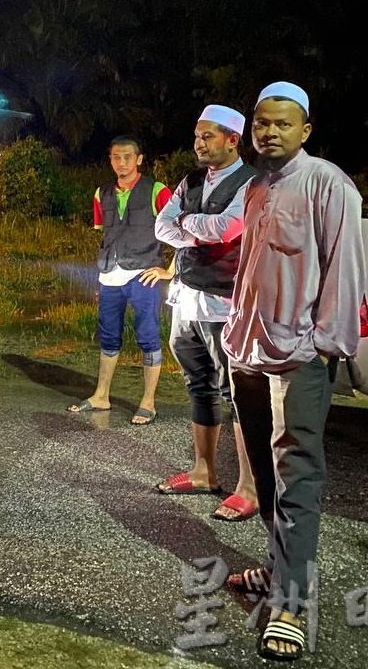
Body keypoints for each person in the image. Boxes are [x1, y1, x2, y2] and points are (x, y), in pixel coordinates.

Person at [221, 82, 365, 661]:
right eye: (262, 124)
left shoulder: (329, 184)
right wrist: (234, 333)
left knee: (297, 475)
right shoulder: (256, 187)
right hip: (249, 351)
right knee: (262, 470)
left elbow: (345, 268)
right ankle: (280, 571)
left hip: (301, 353)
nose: (270, 132)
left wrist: (327, 344)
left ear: (305, 131)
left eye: (283, 124)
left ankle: (292, 605)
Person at [152, 105, 259, 523]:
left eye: (208, 136)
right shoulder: (191, 179)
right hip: (185, 297)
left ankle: (248, 487)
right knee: (198, 384)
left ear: (233, 140)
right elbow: (162, 227)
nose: (199, 143)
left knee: (238, 395)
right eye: (197, 136)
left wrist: (187, 226)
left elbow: (228, 229)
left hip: (226, 302)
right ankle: (204, 472)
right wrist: (198, 226)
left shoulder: (251, 182)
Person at [69, 136, 173, 424]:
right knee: (108, 335)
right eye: (116, 157)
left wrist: (170, 270)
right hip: (110, 275)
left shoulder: (157, 191)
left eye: (128, 157)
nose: (122, 163)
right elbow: (105, 234)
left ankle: (148, 402)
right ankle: (101, 396)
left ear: (139, 159)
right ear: (110, 159)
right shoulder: (101, 193)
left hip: (144, 274)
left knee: (147, 336)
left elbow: (183, 231)